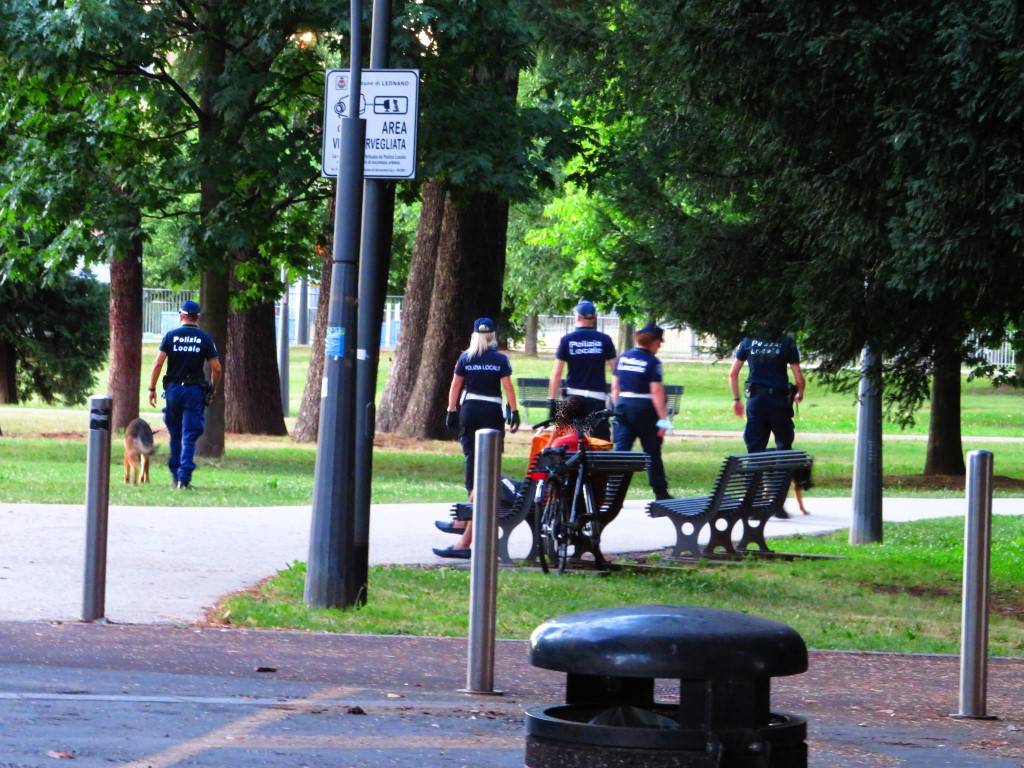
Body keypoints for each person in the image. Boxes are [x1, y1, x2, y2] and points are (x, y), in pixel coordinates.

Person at [433, 317, 520, 560]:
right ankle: (466, 515)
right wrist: (514, 411)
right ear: (493, 335)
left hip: (470, 409)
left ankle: (466, 514)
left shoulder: (466, 358)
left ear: (474, 335)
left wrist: (451, 411)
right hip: (492, 412)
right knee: (489, 464)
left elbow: (455, 385)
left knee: (472, 460)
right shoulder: (501, 359)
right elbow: (507, 387)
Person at [728, 332, 806, 516]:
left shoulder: (748, 341)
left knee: (755, 451)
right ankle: (777, 504)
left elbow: (733, 373)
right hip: (778, 402)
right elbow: (799, 378)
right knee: (783, 449)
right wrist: (800, 392)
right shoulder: (786, 341)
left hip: (755, 401)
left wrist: (736, 399)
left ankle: (753, 504)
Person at [147, 300, 222, 490]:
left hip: (173, 391)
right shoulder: (205, 339)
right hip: (194, 392)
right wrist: (213, 388)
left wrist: (152, 388)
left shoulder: (171, 336)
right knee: (189, 436)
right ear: (198, 317)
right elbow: (217, 369)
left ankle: (175, 475)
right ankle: (184, 478)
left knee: (175, 434)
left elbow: (157, 364)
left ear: (181, 315)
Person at [611, 322, 673, 500]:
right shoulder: (653, 362)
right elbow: (656, 391)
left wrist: (619, 407)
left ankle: (612, 492)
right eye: (659, 342)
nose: (660, 345)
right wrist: (663, 420)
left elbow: (615, 388)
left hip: (623, 407)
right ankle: (660, 493)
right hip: (646, 411)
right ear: (652, 342)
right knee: (652, 453)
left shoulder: (622, 358)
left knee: (621, 452)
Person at [547, 300, 617, 439]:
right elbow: (616, 371)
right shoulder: (604, 340)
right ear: (594, 318)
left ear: (578, 317)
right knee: (599, 443)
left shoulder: (567, 340)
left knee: (565, 440)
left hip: (572, 399)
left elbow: (556, 373)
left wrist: (552, 401)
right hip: (597, 399)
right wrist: (616, 400)